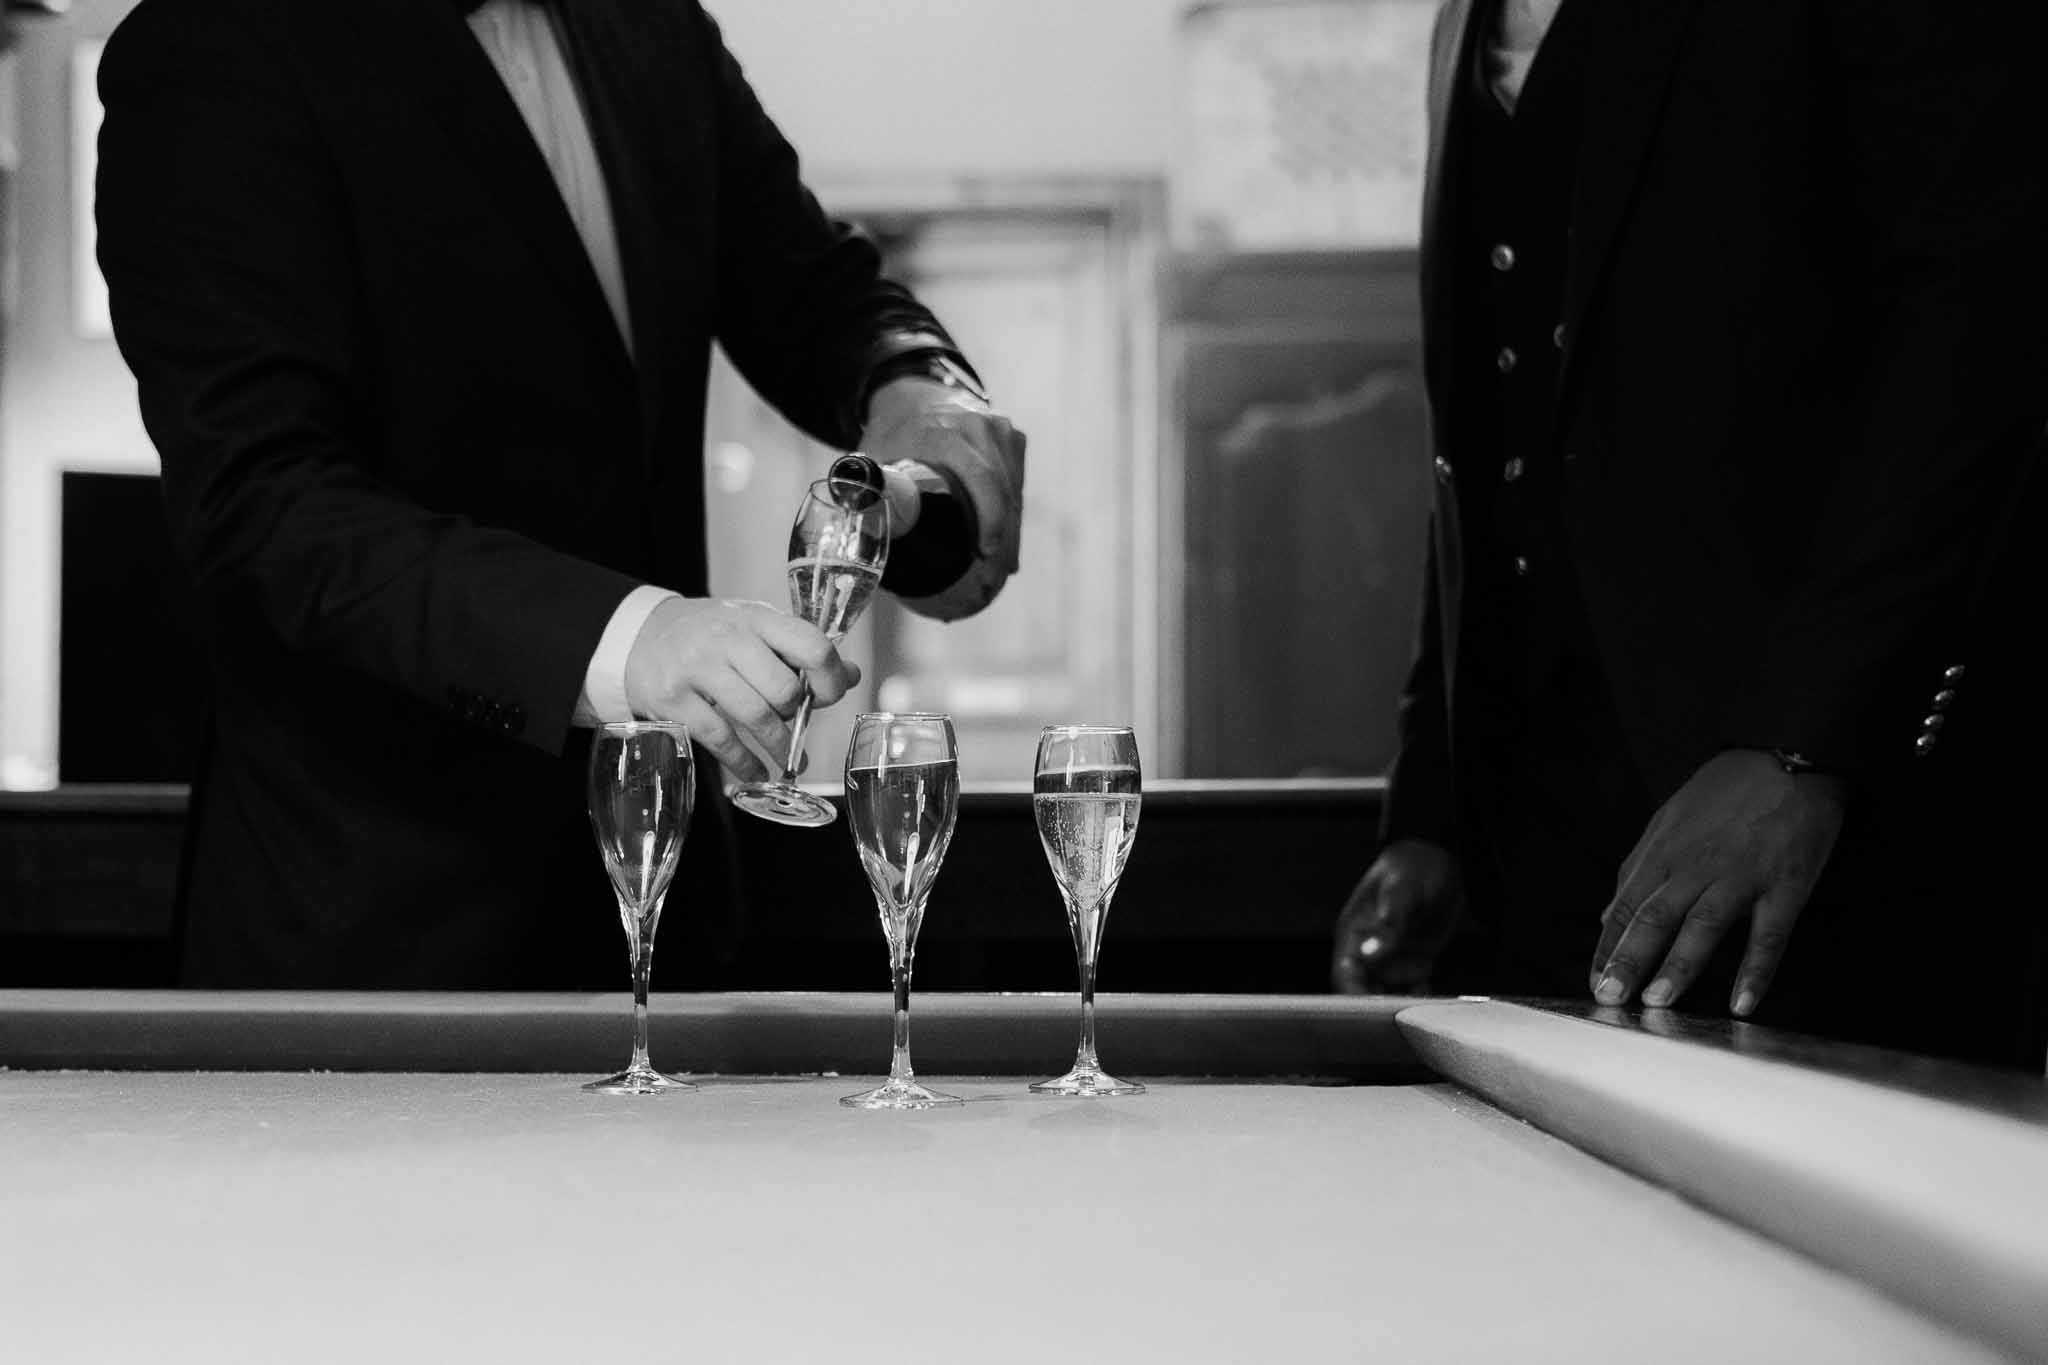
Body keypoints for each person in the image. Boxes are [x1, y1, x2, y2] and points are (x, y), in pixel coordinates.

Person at [94, 0, 1025, 989]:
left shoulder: (654, 28)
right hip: (369, 941)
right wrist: (632, 641)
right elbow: (264, 507)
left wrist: (921, 390)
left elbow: (813, 291)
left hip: (668, 915)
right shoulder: (209, 44)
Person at [1333, 0, 2048, 1069]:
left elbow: (1975, 335)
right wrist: (1429, 815)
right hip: (1527, 874)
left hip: (1821, 864)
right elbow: (1485, 452)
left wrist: (1799, 745)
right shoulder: (1459, 25)